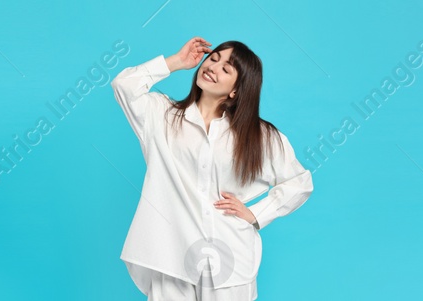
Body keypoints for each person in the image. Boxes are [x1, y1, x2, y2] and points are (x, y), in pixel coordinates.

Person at [112, 37, 314, 300]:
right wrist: (176, 62)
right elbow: (123, 85)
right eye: (213, 58)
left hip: (231, 262)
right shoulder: (161, 115)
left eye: (226, 69)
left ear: (236, 90)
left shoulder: (260, 136)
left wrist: (256, 214)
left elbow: (300, 182)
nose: (213, 67)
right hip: (170, 256)